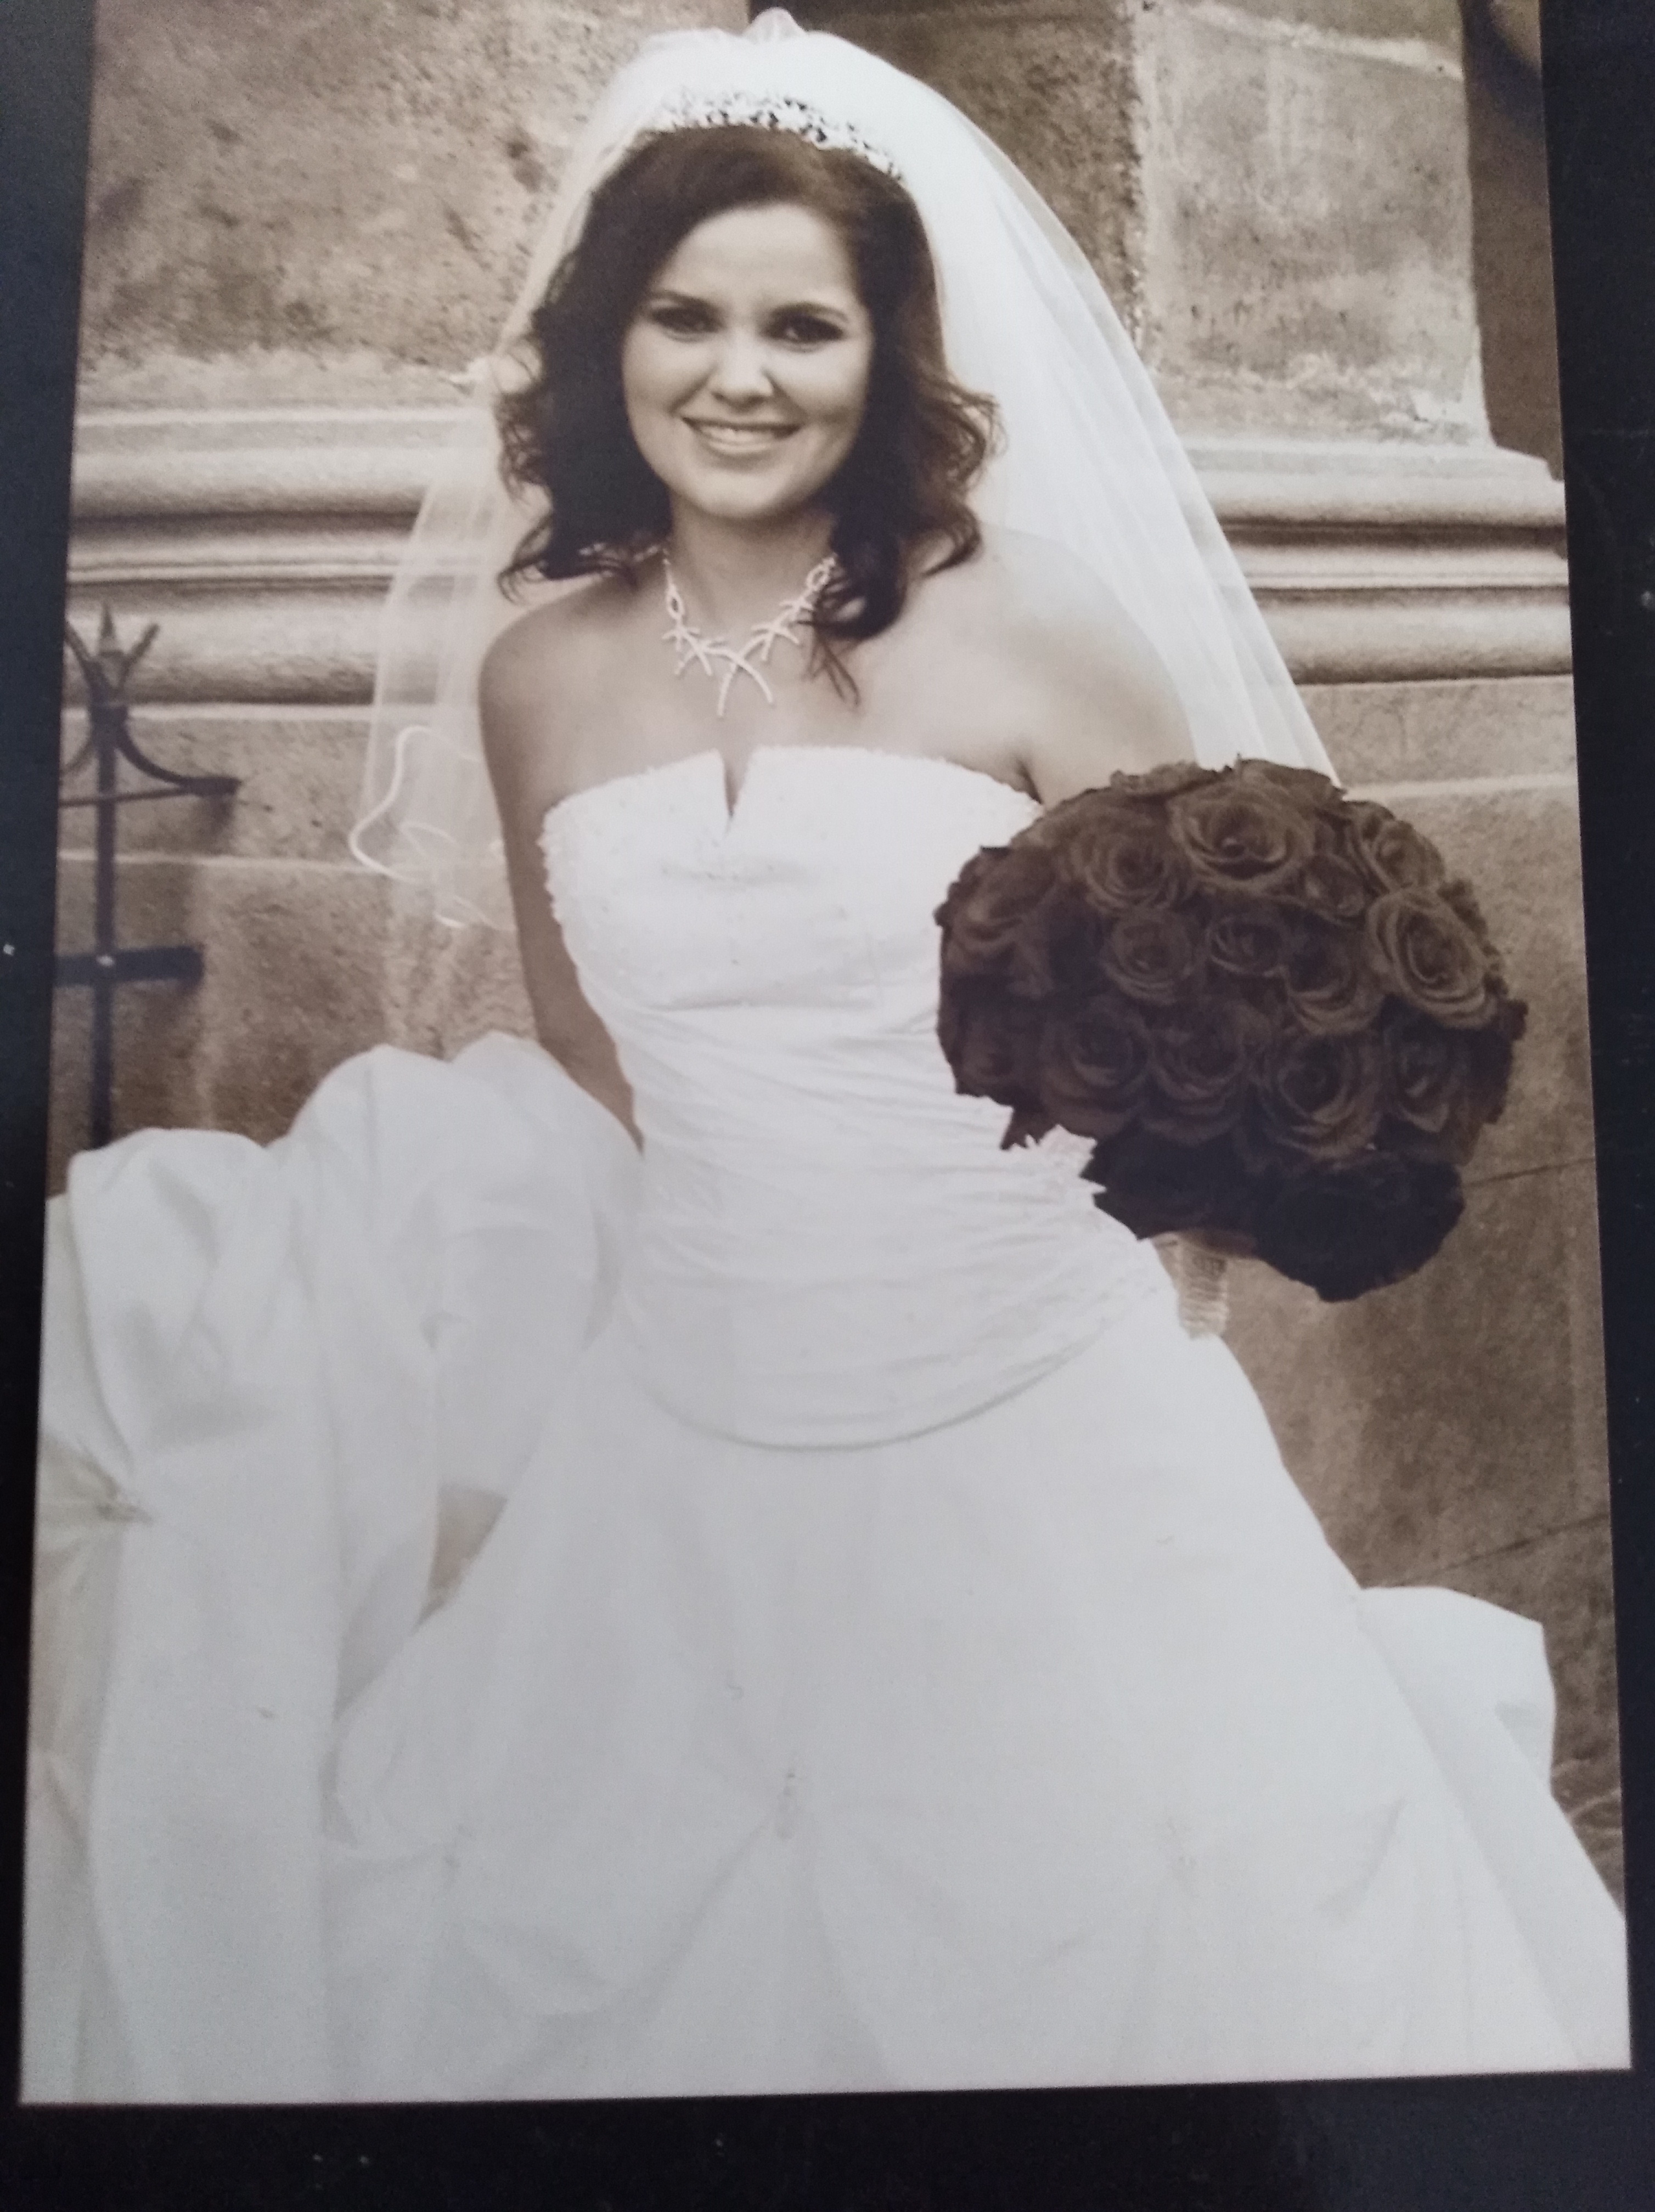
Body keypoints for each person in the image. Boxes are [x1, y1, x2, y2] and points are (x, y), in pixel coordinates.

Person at [25, 12, 1628, 2104]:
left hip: (1042, 1402)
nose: (741, 377)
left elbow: (1222, 1000)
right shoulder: (540, 677)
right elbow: (591, 1036)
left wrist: (1150, 1235)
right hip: (686, 1422)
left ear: (886, 358)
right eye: (687, 318)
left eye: (804, 326)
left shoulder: (1031, 626)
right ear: (612, 344)